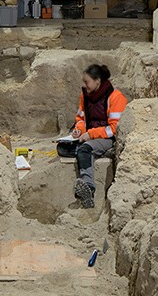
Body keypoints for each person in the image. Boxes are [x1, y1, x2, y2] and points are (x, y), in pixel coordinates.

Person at [59, 63, 127, 208]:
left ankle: (88, 188)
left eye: (87, 82)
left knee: (84, 149)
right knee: (63, 149)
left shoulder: (115, 98)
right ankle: (101, 153)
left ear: (97, 81)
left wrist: (91, 134)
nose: (85, 85)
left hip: (107, 138)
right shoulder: (85, 95)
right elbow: (81, 118)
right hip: (89, 136)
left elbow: (115, 129)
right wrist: (79, 129)